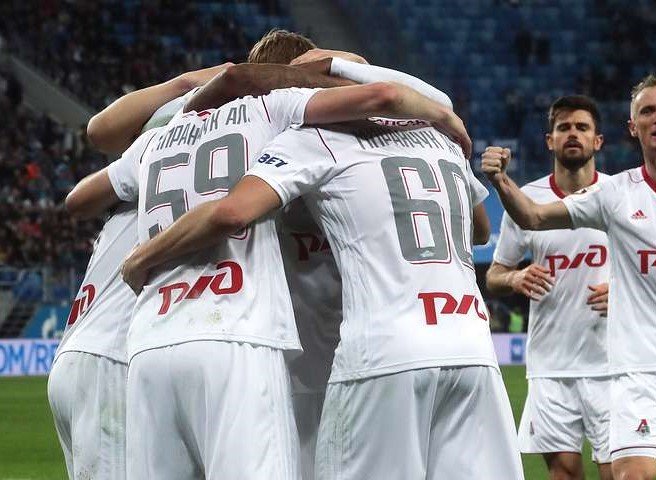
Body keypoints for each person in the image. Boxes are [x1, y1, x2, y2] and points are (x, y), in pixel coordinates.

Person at [121, 110, 522, 480]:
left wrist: (143, 257)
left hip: (377, 351)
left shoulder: (314, 137)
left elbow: (231, 212)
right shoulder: (436, 135)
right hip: (471, 344)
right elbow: (480, 230)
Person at [482, 74, 656, 480]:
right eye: (647, 111)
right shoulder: (615, 195)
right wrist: (501, 180)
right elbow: (534, 216)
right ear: (633, 127)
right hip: (636, 367)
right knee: (629, 474)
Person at [46, 64, 231, 480]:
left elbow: (77, 196)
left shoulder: (133, 184)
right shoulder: (197, 174)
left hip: (81, 354)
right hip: (114, 356)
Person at [485, 95, 612, 480]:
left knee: (620, 473)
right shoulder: (524, 201)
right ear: (550, 140)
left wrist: (626, 292)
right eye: (564, 127)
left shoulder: (620, 196)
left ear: (597, 141)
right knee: (563, 475)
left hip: (614, 364)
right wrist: (515, 277)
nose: (573, 134)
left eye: (582, 127)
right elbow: (494, 275)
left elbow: (653, 268)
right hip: (550, 366)